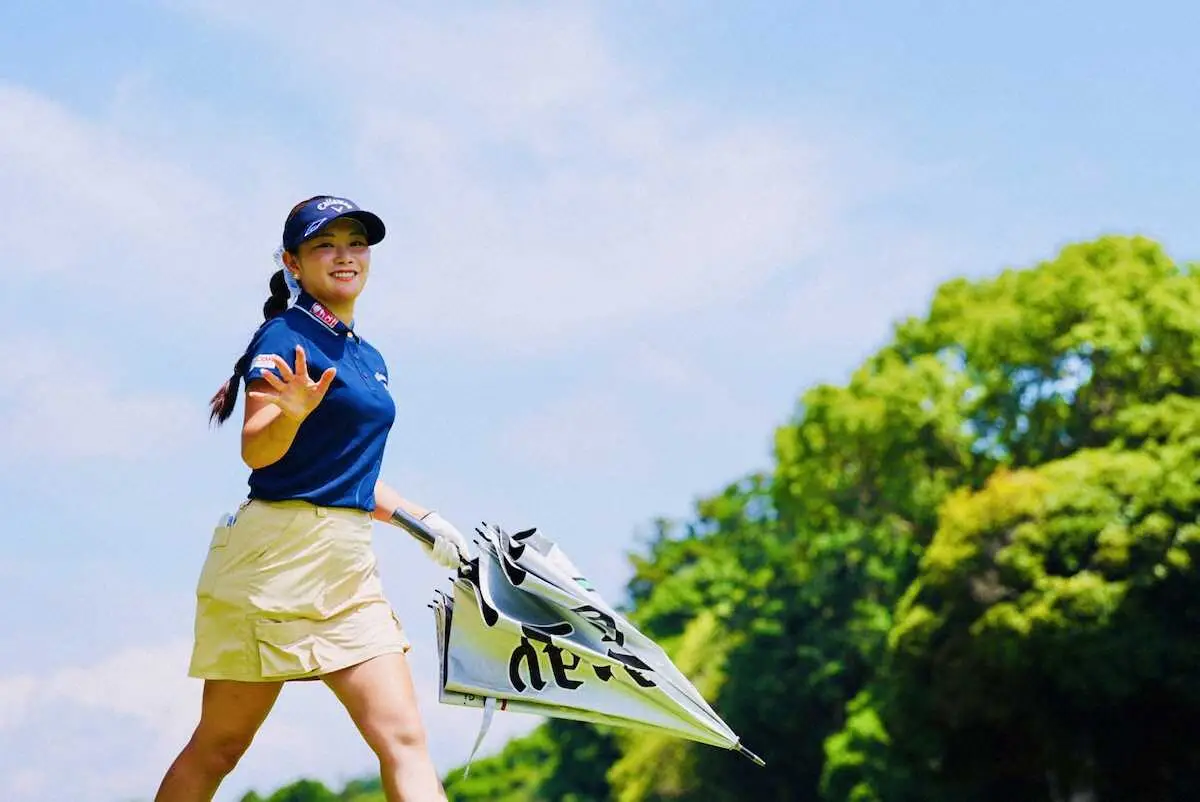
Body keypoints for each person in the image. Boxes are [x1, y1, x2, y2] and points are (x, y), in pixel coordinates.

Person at [154, 195, 471, 802]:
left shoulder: (367, 356)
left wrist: (421, 522)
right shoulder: (287, 335)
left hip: (347, 567)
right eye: (325, 244)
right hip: (271, 561)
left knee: (404, 739)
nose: (345, 256)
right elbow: (258, 450)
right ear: (293, 263)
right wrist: (290, 416)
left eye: (356, 243)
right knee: (219, 747)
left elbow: (349, 472)